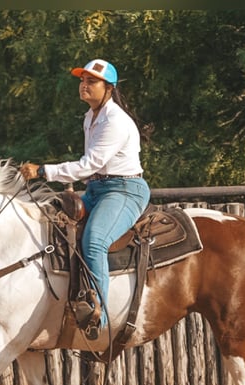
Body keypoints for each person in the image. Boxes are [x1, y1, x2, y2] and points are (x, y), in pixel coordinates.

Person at [20, 59, 151, 339]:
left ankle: (97, 313)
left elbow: (89, 164)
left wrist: (43, 171)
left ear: (109, 88)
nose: (84, 86)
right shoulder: (90, 117)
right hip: (97, 190)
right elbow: (91, 170)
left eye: (91, 81)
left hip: (124, 191)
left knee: (94, 241)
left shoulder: (115, 121)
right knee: (52, 222)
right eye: (82, 80)